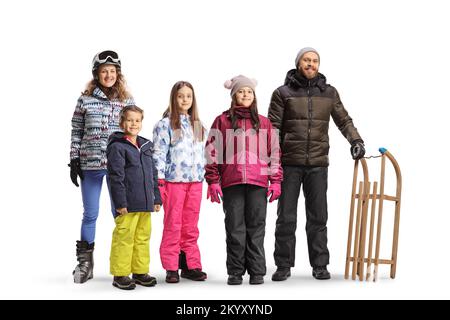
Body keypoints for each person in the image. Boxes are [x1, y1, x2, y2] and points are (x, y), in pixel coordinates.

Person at [268, 47, 365, 281]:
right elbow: (272, 129)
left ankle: (320, 264)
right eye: (306, 60)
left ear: (318, 65)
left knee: (318, 216)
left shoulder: (329, 93)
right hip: (289, 163)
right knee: (286, 217)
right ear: (298, 63)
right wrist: (272, 160)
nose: (311, 64)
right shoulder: (282, 93)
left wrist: (356, 140)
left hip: (318, 164)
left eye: (314, 61)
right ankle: (283, 265)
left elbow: (343, 119)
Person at [205, 75, 283, 285]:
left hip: (258, 183)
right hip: (232, 182)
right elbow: (212, 151)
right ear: (234, 96)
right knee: (234, 227)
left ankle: (257, 271)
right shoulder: (222, 121)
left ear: (254, 96)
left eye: (249, 91)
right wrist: (213, 180)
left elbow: (274, 153)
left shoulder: (264, 123)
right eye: (241, 91)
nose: (245, 94)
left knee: (257, 227)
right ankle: (236, 271)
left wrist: (275, 180)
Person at [69, 50, 135, 283]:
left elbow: (133, 131)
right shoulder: (85, 99)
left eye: (113, 71)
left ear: (118, 74)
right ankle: (85, 263)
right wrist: (74, 159)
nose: (109, 75)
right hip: (91, 163)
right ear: (97, 74)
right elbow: (77, 129)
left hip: (119, 166)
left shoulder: (127, 100)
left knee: (121, 213)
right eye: (104, 71)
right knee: (90, 214)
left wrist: (134, 160)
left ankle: (122, 263)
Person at [152, 81, 208, 283]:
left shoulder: (199, 126)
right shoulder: (165, 125)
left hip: (195, 182)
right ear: (173, 98)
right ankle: (171, 265)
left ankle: (190, 264)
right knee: (173, 223)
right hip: (173, 182)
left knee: (191, 225)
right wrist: (158, 181)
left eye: (188, 96)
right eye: (180, 96)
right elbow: (158, 153)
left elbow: (206, 154)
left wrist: (208, 177)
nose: (185, 99)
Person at [107, 105, 161, 290]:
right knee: (125, 237)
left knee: (142, 237)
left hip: (145, 202)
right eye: (129, 120)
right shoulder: (117, 147)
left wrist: (157, 198)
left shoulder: (146, 145)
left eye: (137, 120)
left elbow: (153, 174)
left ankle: (140, 271)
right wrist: (120, 203)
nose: (133, 124)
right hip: (127, 205)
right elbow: (116, 177)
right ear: (122, 122)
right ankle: (120, 273)